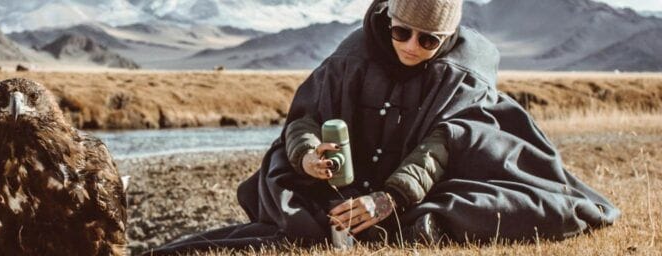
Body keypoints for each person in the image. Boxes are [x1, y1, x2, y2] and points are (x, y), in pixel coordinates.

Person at [147, 0, 619, 254]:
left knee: (502, 209)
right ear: (387, 17)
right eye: (401, 32)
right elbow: (305, 117)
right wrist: (308, 155)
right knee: (291, 196)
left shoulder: (465, 76)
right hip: (342, 184)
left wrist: (391, 198)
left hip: (429, 186)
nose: (411, 46)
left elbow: (444, 145)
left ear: (448, 37)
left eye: (428, 39)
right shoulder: (351, 57)